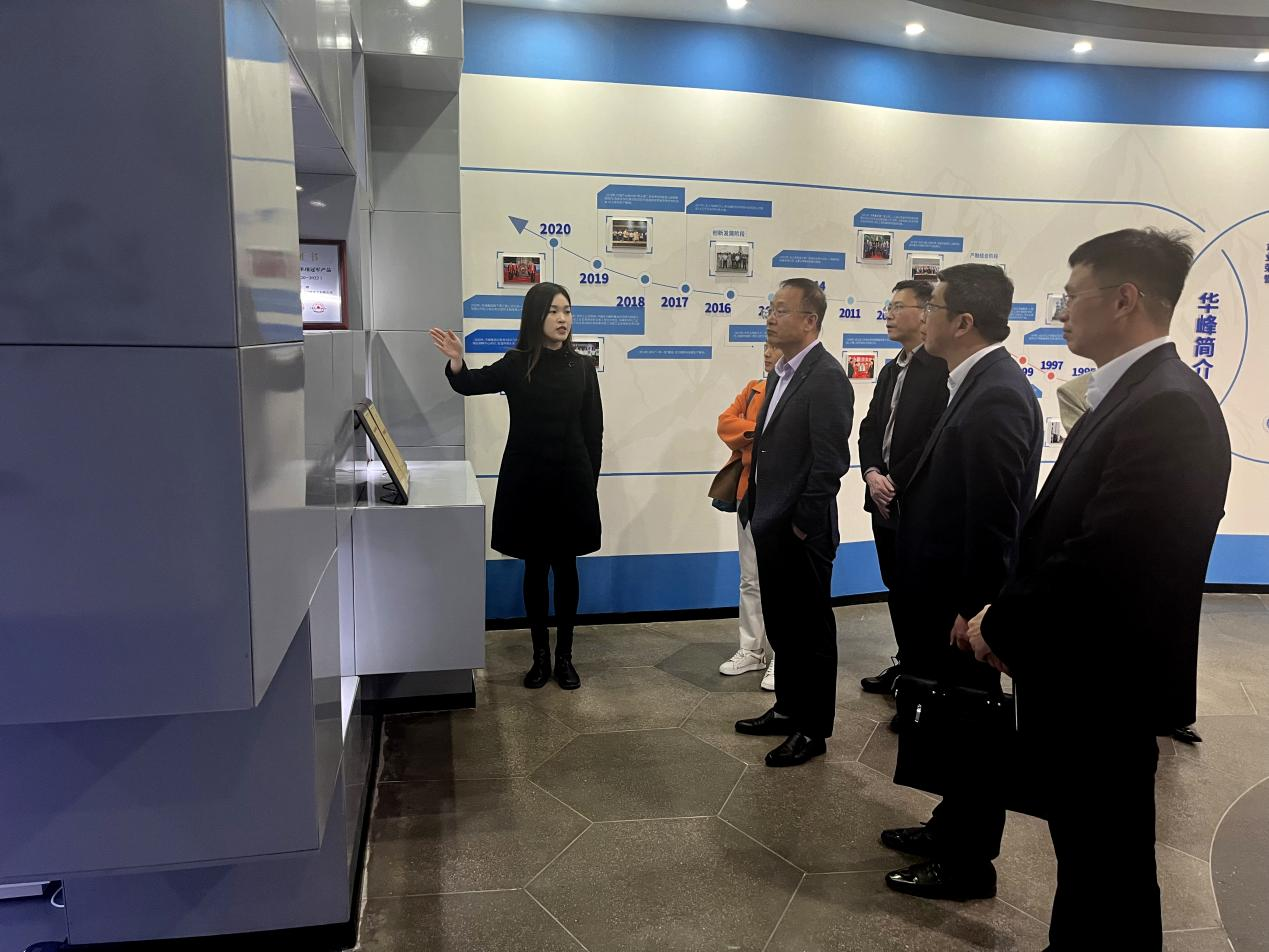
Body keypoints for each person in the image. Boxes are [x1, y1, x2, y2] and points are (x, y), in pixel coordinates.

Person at [966, 229, 1231, 949]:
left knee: (1107, 865)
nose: (1060, 312)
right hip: (1085, 676)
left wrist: (1002, 624)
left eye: (1071, 295)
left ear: (1123, 300)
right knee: (1091, 861)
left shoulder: (1167, 405)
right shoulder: (1132, 393)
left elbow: (1107, 558)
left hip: (1105, 683)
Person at [882, 264, 1043, 901]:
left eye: (934, 307)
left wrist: (975, 609)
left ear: (963, 322)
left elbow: (996, 517)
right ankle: (948, 824)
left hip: (963, 605)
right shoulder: (972, 382)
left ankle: (968, 862)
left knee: (972, 726)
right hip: (944, 592)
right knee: (954, 720)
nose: (923, 318)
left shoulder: (997, 392)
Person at [430, 282, 602, 691]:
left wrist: (588, 480)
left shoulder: (583, 367)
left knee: (566, 567)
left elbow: (593, 430)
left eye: (567, 311)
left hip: (571, 481)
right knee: (535, 567)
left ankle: (565, 657)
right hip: (528, 481)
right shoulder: (517, 362)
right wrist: (457, 361)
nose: (562, 319)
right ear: (535, 316)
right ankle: (540, 657)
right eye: (554, 311)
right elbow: (470, 383)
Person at [733, 278, 854, 767]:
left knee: (811, 633)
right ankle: (787, 708)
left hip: (802, 532)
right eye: (771, 308)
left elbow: (830, 462)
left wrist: (802, 523)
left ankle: (812, 729)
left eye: (781, 310)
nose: (770, 317)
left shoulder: (826, 377)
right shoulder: (782, 372)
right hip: (771, 522)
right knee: (783, 626)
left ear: (809, 320)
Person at [857, 280, 949, 701]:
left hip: (914, 501)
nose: (889, 314)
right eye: (888, 306)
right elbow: (870, 427)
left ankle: (922, 680)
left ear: (925, 313)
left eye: (898, 306)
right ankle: (906, 664)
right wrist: (872, 473)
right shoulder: (891, 368)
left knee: (921, 594)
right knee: (896, 586)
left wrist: (895, 481)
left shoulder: (940, 369)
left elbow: (934, 437)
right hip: (883, 500)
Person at [716, 344, 778, 691]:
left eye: (775, 347)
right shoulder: (753, 388)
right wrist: (758, 432)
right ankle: (752, 650)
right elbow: (726, 424)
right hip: (747, 494)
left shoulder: (799, 389)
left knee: (781, 581)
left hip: (781, 496)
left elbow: (790, 439)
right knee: (750, 578)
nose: (768, 353)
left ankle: (782, 655)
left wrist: (749, 435)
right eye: (766, 346)